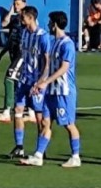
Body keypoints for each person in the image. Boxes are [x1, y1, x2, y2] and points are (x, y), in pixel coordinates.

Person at [25, 12, 81, 168]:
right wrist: (40, 83)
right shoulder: (53, 42)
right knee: (45, 122)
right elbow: (48, 66)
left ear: (55, 24)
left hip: (64, 91)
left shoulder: (67, 44)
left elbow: (64, 68)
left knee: (69, 124)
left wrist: (46, 82)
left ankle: (75, 157)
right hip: (51, 91)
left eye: (50, 22)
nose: (48, 25)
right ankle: (38, 155)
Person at [10, 5, 51, 161]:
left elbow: (47, 62)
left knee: (40, 116)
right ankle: (19, 147)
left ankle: (41, 149)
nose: (21, 19)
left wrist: (41, 81)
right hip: (24, 80)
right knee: (18, 110)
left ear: (31, 18)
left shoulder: (43, 36)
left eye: (23, 17)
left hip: (37, 81)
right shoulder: (25, 33)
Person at [0, 0, 27, 123]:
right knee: (20, 83)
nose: (16, 6)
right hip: (14, 54)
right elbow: (5, 25)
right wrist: (0, 56)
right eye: (14, 4)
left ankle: (6, 111)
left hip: (22, 55)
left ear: (24, 4)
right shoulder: (15, 19)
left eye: (18, 4)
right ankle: (30, 111)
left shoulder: (28, 18)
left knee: (9, 78)